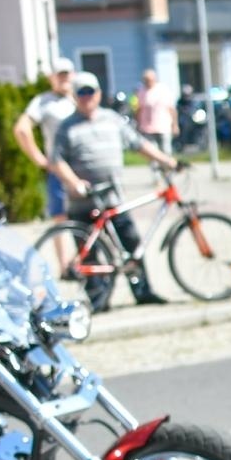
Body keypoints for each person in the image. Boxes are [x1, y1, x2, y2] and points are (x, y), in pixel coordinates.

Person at [49, 71, 176, 310]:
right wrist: (74, 182)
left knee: (131, 243)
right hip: (82, 201)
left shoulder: (112, 119)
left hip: (112, 198)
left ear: (98, 94)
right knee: (90, 253)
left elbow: (138, 143)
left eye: (90, 92)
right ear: (75, 97)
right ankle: (98, 300)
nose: (87, 97)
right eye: (81, 93)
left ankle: (143, 291)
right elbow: (56, 160)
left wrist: (166, 160)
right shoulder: (67, 127)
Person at [12, 57, 77, 236]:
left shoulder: (82, 97)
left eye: (67, 75)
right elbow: (22, 129)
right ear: (52, 77)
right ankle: (65, 263)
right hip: (59, 167)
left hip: (83, 165)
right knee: (60, 218)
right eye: (60, 75)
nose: (64, 79)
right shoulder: (44, 101)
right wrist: (40, 159)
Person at [135, 68, 177, 154]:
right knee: (152, 151)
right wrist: (138, 124)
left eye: (149, 80)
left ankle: (166, 167)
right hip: (147, 128)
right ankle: (156, 167)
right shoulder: (141, 91)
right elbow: (139, 109)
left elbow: (171, 108)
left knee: (165, 151)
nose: (147, 82)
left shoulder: (163, 90)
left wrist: (175, 124)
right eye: (145, 80)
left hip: (163, 126)